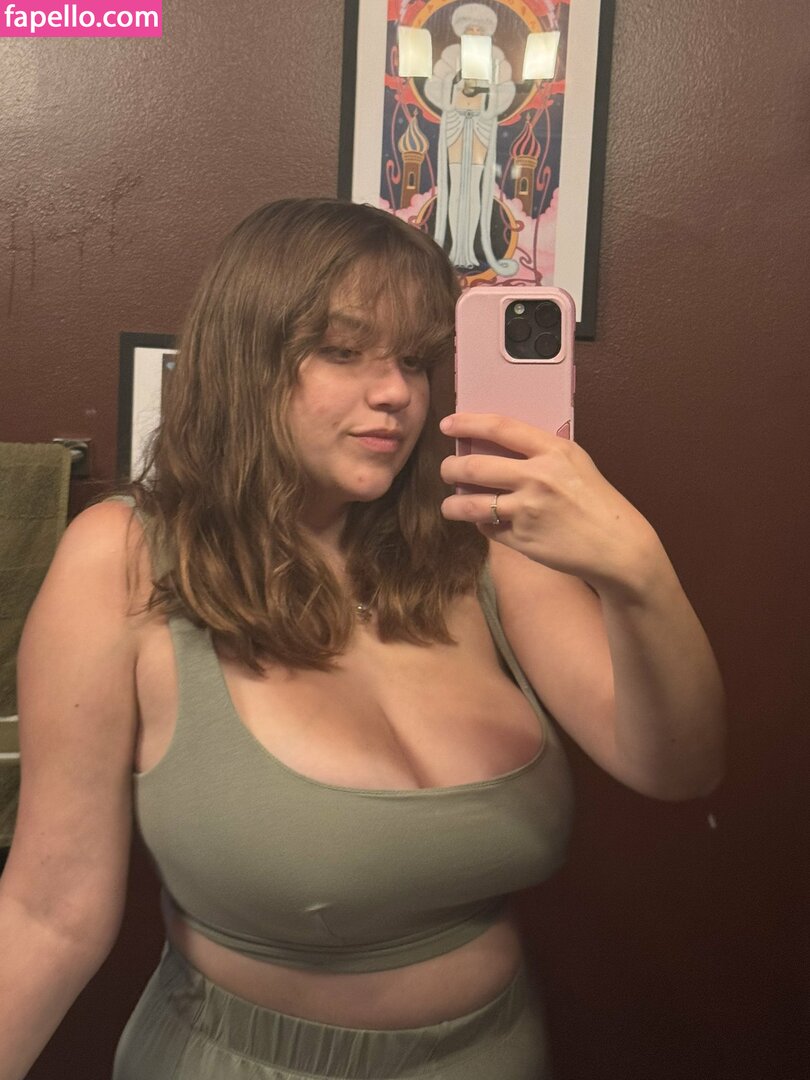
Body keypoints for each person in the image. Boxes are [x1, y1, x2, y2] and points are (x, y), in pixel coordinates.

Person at [0, 198, 725, 1080]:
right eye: (343, 351)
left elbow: (678, 767)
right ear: (244, 359)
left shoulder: (482, 546)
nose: (397, 393)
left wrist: (637, 574)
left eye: (415, 360)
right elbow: (47, 914)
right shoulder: (122, 559)